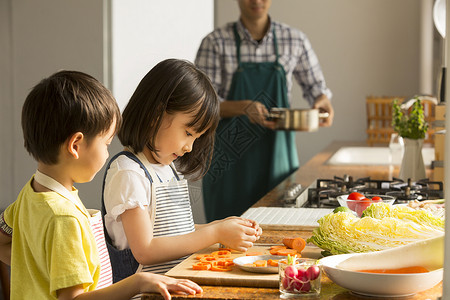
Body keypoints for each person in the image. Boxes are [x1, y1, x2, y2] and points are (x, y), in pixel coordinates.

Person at [0, 70, 202, 300]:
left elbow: (2, 241)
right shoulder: (65, 218)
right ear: (75, 145)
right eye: (106, 143)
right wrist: (138, 282)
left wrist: (36, 270)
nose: (107, 154)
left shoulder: (29, 195)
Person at [102, 59, 262, 286]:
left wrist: (222, 227)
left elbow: (177, 233)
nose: (190, 147)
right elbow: (145, 250)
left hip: (175, 286)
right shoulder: (129, 173)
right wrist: (215, 233)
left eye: (197, 138)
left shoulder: (166, 169)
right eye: (188, 133)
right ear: (156, 114)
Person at [195, 0, 334, 222]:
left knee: (279, 230)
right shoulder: (215, 42)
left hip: (277, 157)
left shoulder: (294, 40)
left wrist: (321, 102)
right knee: (224, 243)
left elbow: (317, 90)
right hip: (229, 163)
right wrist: (244, 107)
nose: (257, 1)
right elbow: (201, 103)